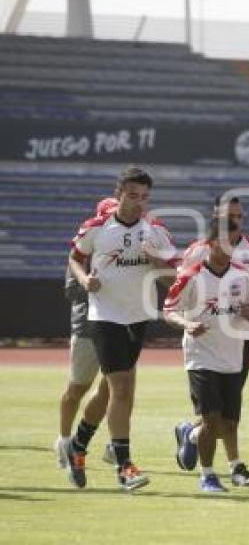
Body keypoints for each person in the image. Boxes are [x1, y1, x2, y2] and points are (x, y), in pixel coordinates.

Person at [66, 166, 179, 491]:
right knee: (123, 389)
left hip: (138, 316)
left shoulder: (155, 231)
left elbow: (174, 277)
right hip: (105, 316)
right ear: (118, 194)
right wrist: (85, 278)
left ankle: (78, 444)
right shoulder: (97, 227)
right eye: (132, 195)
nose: (138, 203)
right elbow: (75, 257)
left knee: (109, 390)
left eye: (144, 197)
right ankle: (124, 466)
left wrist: (156, 259)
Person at [164, 220, 249, 492]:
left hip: (233, 354)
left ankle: (230, 465)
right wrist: (187, 324)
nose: (231, 247)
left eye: (234, 241)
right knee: (212, 421)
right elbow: (168, 310)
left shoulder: (242, 276)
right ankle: (207, 476)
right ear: (210, 243)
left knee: (229, 422)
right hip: (201, 357)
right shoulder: (190, 276)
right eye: (224, 241)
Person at [55, 198, 118, 473]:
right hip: (87, 327)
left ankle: (116, 446)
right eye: (107, 218)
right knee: (77, 387)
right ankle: (64, 439)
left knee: (115, 389)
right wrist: (92, 285)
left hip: (117, 326)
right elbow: (71, 290)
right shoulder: (84, 248)